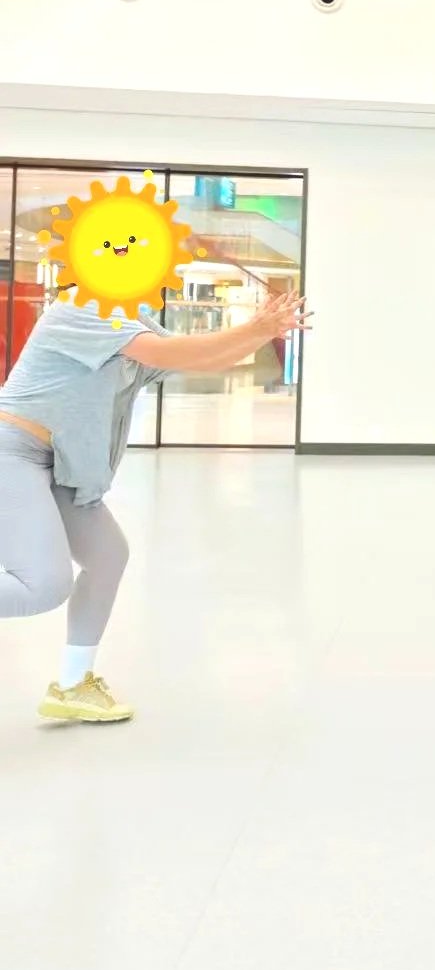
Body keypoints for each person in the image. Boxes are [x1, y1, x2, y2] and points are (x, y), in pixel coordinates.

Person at [0, 289, 309, 724]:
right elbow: (163, 351)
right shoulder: (84, 304)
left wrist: (263, 331)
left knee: (107, 556)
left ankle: (72, 686)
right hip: (14, 450)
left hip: (59, 463)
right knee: (43, 587)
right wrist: (256, 329)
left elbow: (198, 358)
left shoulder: (133, 315)